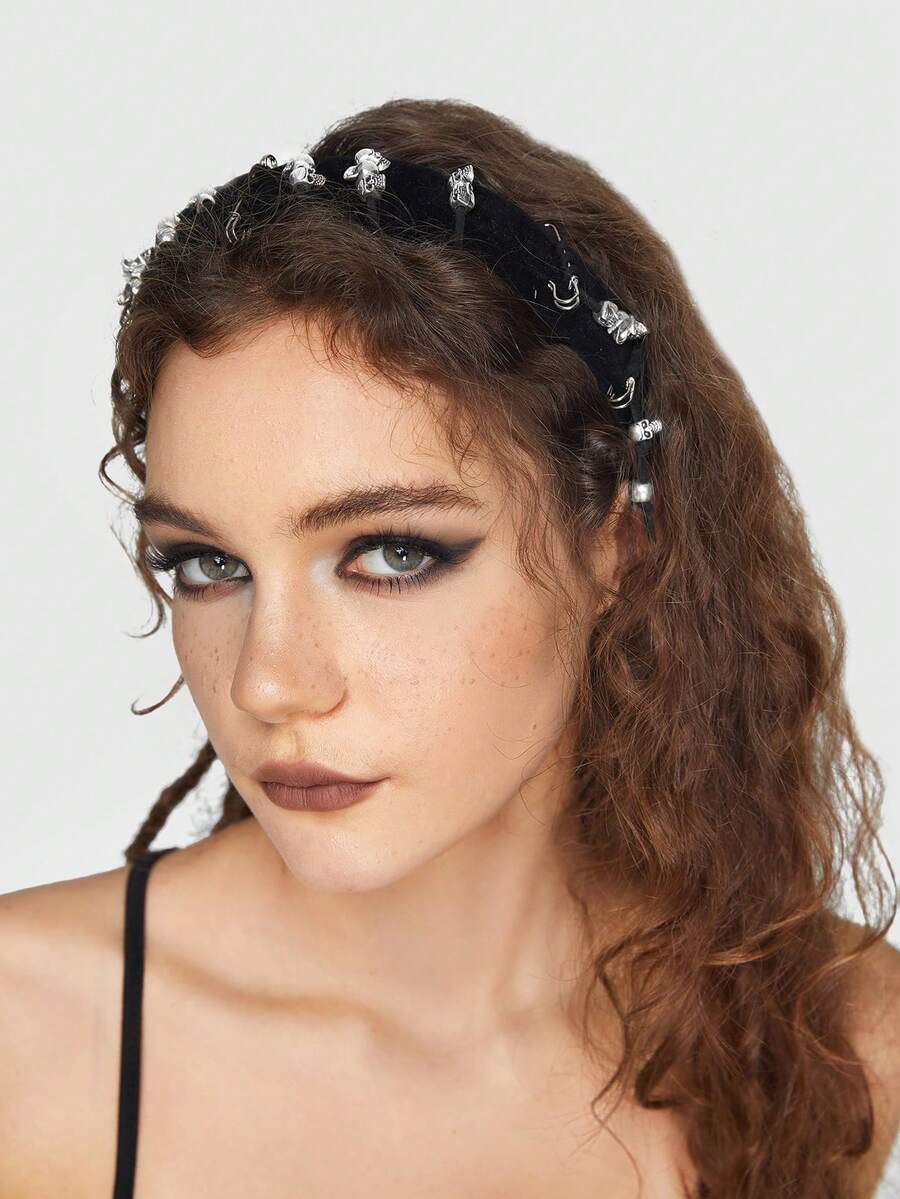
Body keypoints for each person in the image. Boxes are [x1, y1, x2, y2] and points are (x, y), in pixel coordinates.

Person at [1, 97, 898, 1199]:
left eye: (391, 553)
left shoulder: (830, 1035)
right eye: (208, 563)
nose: (267, 680)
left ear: (618, 543)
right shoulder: (27, 1039)